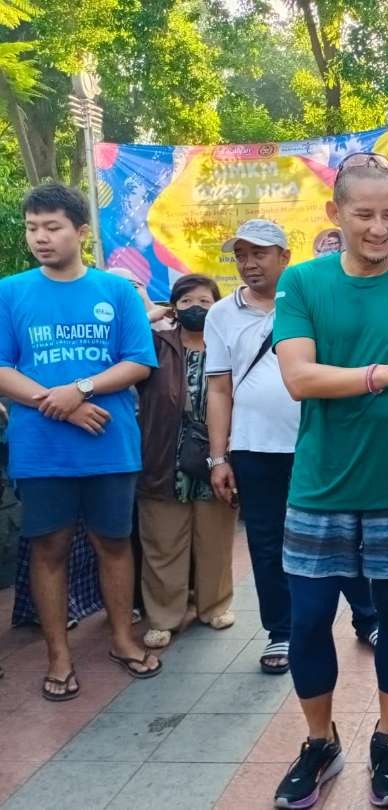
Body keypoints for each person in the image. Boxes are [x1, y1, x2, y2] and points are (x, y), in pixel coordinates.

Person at [271, 161, 388, 809]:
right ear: (337, 214)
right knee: (307, 621)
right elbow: (298, 377)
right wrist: (382, 374)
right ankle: (319, 742)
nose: (379, 227)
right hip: (320, 484)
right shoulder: (301, 283)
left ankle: (387, 738)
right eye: (364, 214)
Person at [0, 182, 162, 701]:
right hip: (42, 448)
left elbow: (140, 360)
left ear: (81, 232)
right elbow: (3, 367)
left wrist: (82, 388)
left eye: (52, 227)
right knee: (48, 548)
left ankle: (121, 638)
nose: (40, 238)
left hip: (110, 445)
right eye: (32, 228)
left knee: (113, 543)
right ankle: (58, 656)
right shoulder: (11, 291)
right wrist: (61, 403)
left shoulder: (117, 291)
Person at [205, 219, 378, 675]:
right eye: (241, 255)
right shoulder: (221, 315)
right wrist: (219, 456)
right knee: (266, 542)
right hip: (254, 447)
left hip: (319, 441)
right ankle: (280, 631)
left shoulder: (313, 300)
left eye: (259, 253)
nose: (249, 263)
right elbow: (219, 390)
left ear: (284, 256)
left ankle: (368, 618)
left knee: (344, 533)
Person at [135, 274, 236, 649]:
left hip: (216, 457)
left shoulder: (227, 347)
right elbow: (120, 349)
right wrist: (149, 316)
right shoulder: (156, 345)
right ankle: (163, 616)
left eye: (205, 302)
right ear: (173, 307)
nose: (196, 308)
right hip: (163, 458)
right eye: (186, 301)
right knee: (162, 542)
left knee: (214, 538)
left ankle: (214, 606)